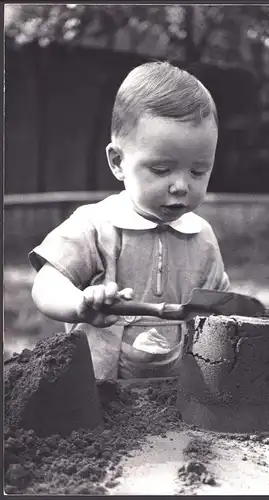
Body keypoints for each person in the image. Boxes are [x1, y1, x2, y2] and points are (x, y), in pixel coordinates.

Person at [29, 61, 230, 380]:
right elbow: (46, 284)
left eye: (198, 171)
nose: (181, 185)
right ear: (118, 162)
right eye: (162, 170)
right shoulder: (95, 226)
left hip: (177, 397)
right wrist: (79, 304)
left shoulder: (201, 237)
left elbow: (221, 311)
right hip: (97, 396)